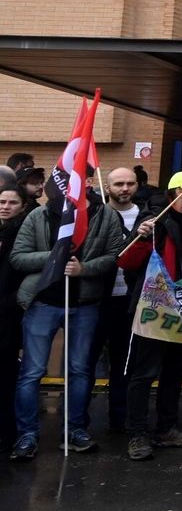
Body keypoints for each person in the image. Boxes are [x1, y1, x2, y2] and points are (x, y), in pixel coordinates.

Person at [8, 180, 123, 458]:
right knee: (32, 372)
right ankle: (27, 435)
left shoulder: (105, 215)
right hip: (43, 302)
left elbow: (113, 257)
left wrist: (84, 269)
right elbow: (18, 257)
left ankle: (75, 430)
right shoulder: (38, 215)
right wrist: (54, 257)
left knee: (80, 371)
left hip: (84, 304)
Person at [117, 171, 182, 460]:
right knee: (143, 373)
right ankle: (137, 433)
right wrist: (143, 239)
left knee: (174, 372)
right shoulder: (155, 223)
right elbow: (125, 260)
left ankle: (167, 428)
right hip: (153, 309)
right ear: (179, 192)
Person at [87, 167, 141, 434]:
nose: (125, 188)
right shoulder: (95, 216)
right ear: (107, 187)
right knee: (86, 362)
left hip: (130, 302)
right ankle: (78, 423)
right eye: (118, 183)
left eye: (130, 183)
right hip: (98, 299)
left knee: (124, 365)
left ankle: (120, 421)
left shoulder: (147, 217)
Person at [0, 185, 30, 448]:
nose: (5, 206)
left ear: (22, 205)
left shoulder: (22, 232)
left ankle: (8, 433)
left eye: (12, 202)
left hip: (8, 314)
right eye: (2, 201)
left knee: (7, 375)